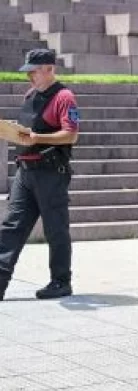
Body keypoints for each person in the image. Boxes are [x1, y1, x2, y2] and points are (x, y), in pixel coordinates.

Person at [0, 49, 80, 301]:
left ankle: (60, 281)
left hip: (50, 173)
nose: (29, 77)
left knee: (55, 229)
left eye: (33, 71)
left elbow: (71, 134)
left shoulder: (64, 97)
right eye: (27, 72)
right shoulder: (31, 94)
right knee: (11, 226)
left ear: (49, 69)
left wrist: (38, 138)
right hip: (25, 171)